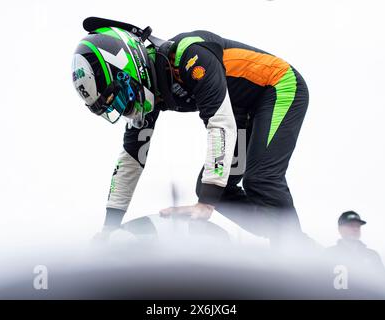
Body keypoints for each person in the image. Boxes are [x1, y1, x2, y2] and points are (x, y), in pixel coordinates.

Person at [71, 17, 309, 245]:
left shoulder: (189, 55)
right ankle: (291, 240)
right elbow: (131, 159)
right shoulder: (149, 94)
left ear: (130, 71)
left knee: (261, 179)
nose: (125, 110)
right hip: (242, 110)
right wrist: (110, 229)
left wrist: (205, 204)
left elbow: (220, 124)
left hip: (278, 86)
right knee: (220, 189)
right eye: (115, 106)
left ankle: (296, 253)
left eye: (120, 98)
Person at [326, 211, 385, 276]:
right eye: (351, 225)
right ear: (340, 229)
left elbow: (384, 281)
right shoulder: (329, 254)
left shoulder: (372, 256)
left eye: (358, 226)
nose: (355, 229)